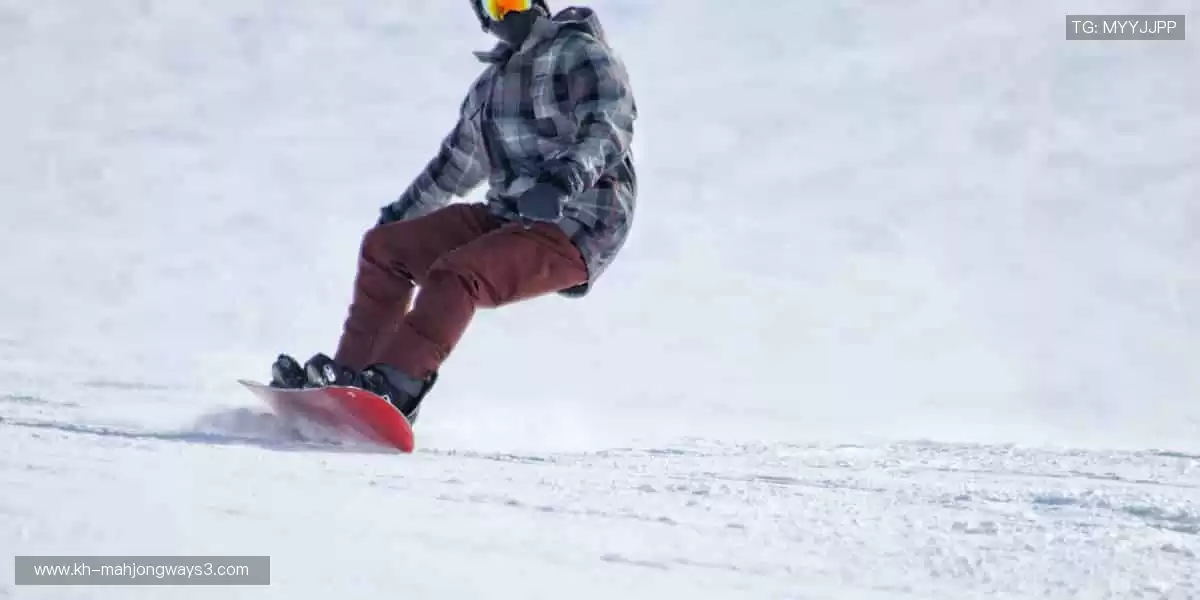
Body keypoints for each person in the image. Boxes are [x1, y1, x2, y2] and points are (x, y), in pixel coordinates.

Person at [268, 0, 638, 424]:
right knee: (386, 249)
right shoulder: (490, 88)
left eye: (515, 1)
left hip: (580, 221)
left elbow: (609, 125)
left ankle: (398, 388)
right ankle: (348, 382)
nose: (509, 14)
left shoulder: (579, 53)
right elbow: (454, 166)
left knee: (458, 273)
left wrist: (564, 180)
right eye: (496, 6)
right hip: (509, 216)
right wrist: (401, 216)